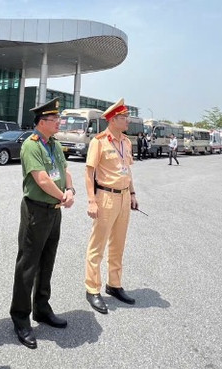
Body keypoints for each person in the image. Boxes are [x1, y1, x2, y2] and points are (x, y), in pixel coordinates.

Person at [10, 97, 75, 349]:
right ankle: (20, 317)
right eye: (54, 119)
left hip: (54, 210)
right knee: (28, 264)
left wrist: (70, 190)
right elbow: (41, 179)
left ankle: (42, 308)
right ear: (41, 122)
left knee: (47, 260)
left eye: (58, 118)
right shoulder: (32, 145)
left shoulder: (54, 143)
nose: (59, 122)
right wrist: (63, 196)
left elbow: (64, 170)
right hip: (36, 210)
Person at [84, 99, 139, 315]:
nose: (128, 121)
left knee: (118, 244)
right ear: (114, 119)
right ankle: (92, 288)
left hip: (124, 197)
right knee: (97, 245)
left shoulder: (126, 142)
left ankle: (114, 284)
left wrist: (133, 193)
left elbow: (128, 169)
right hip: (106, 197)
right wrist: (91, 200)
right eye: (124, 118)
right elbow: (89, 172)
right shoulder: (99, 142)